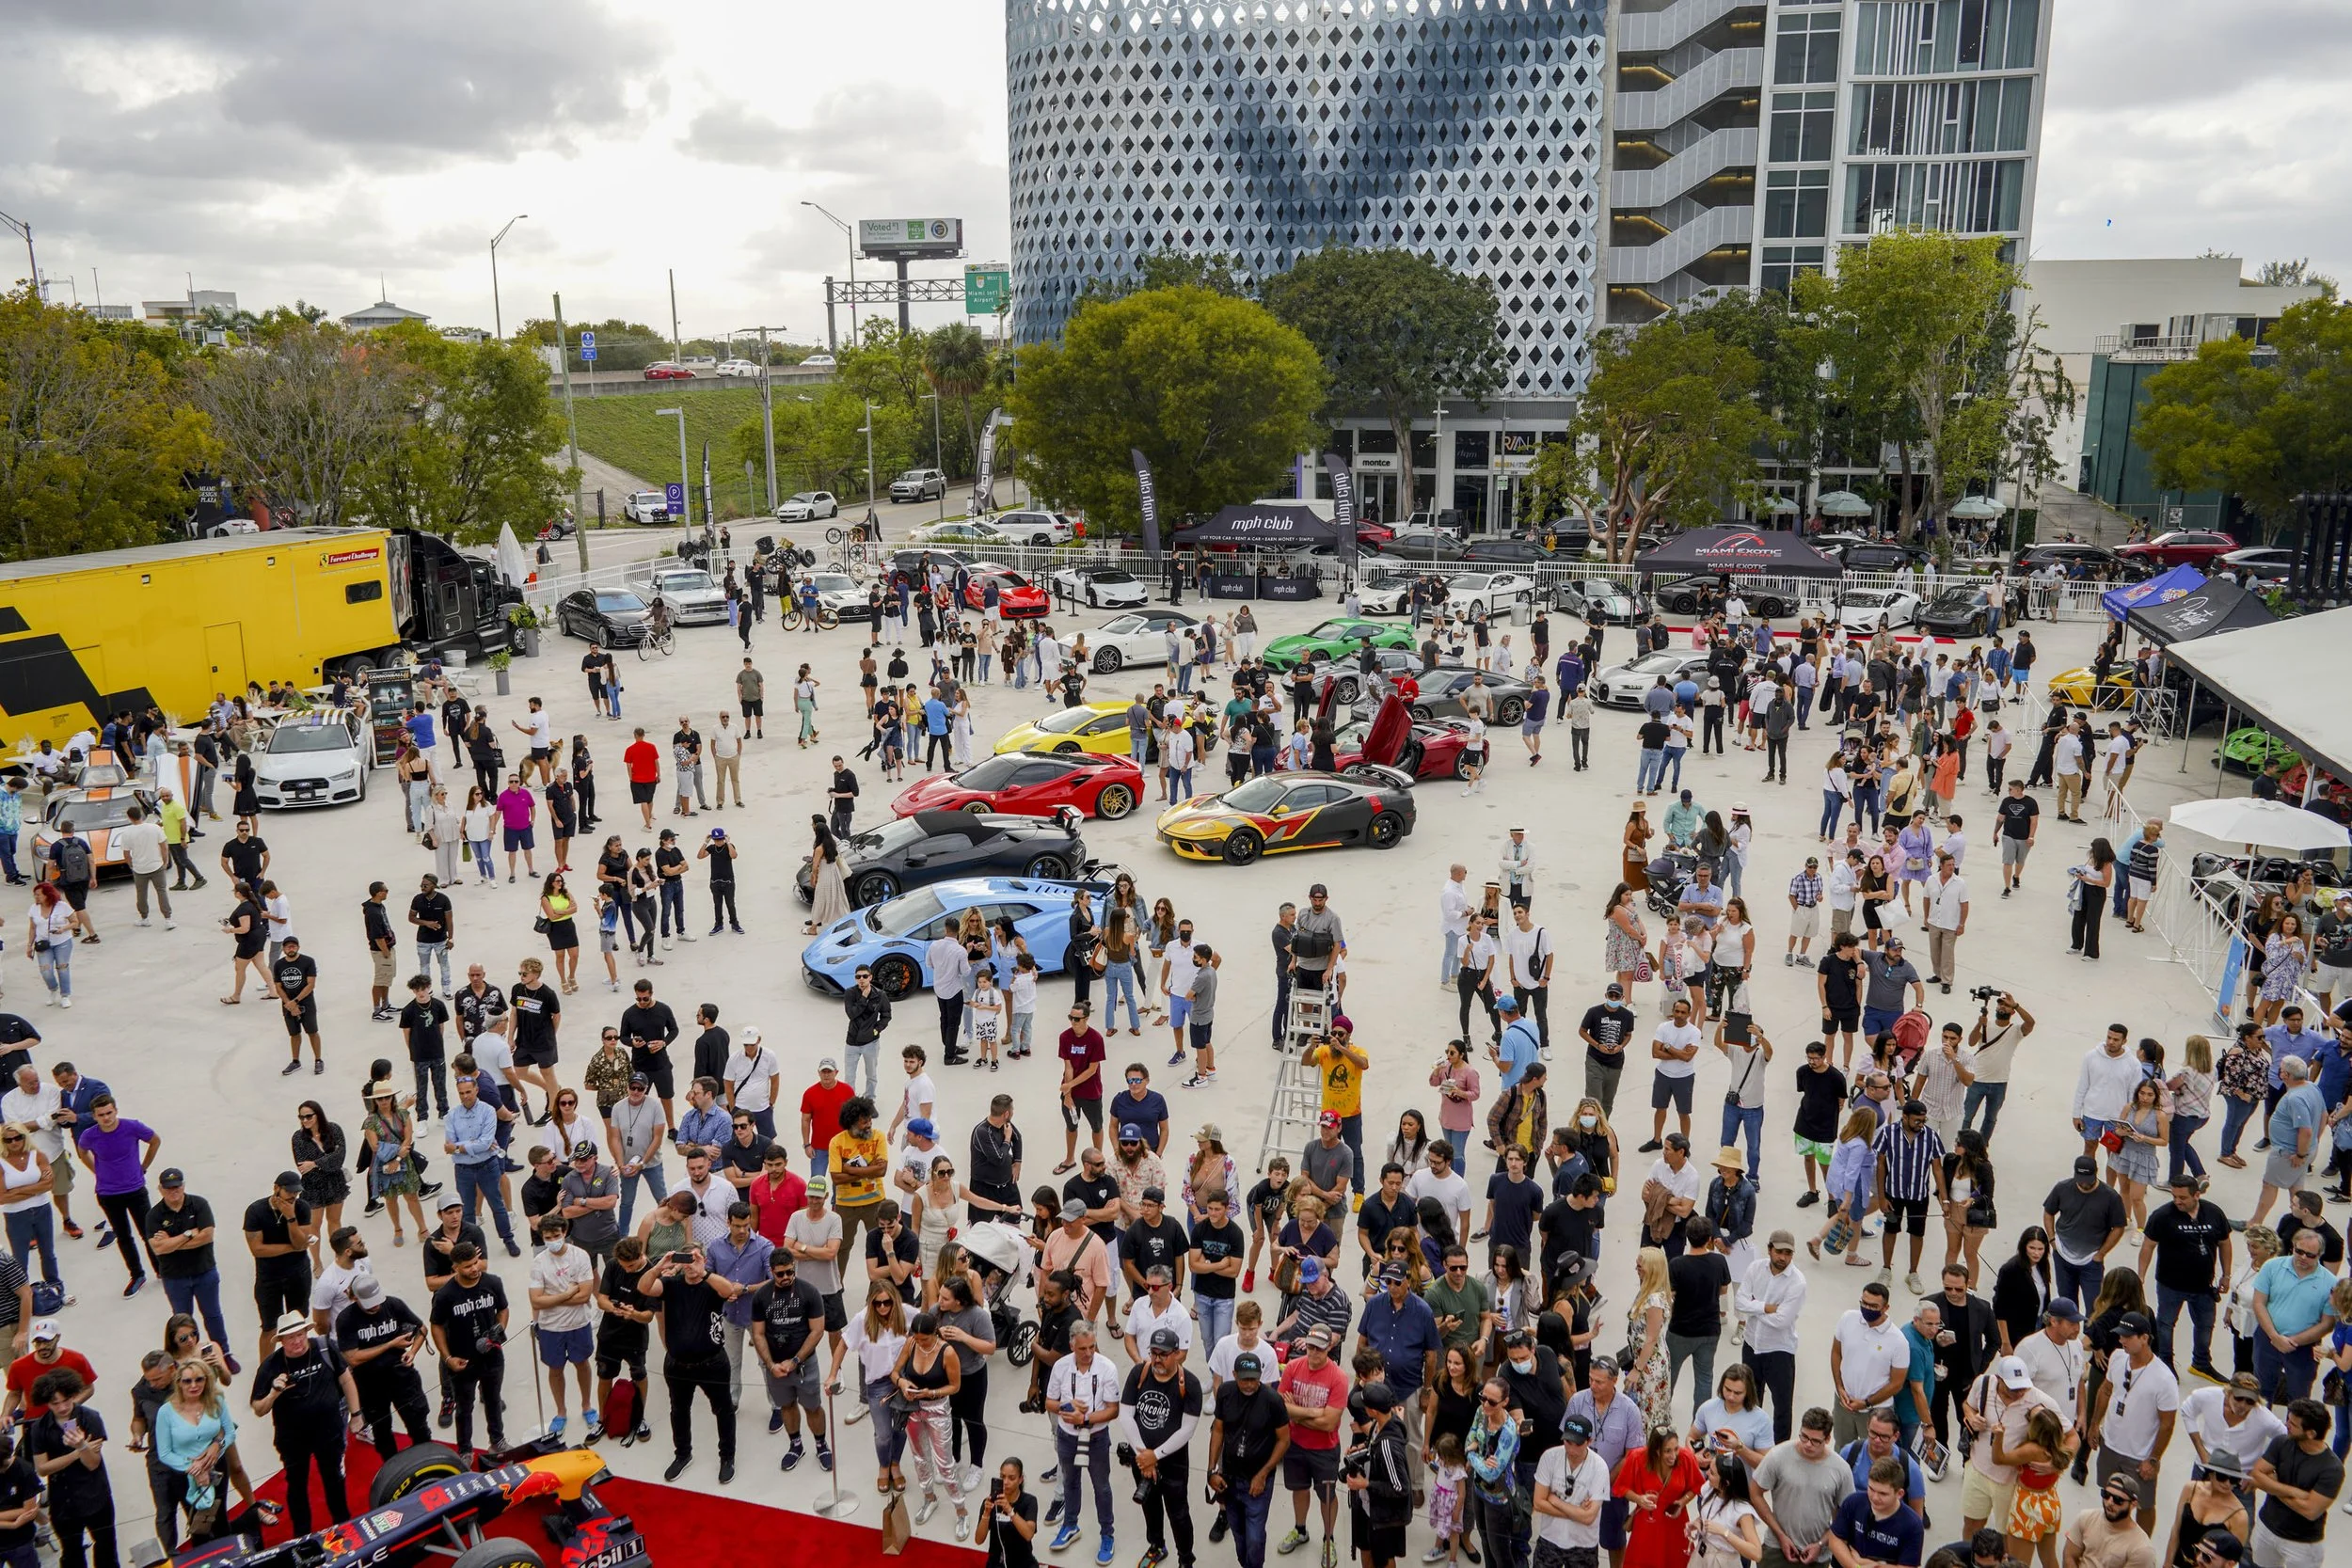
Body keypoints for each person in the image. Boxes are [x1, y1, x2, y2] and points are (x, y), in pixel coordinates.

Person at [247, 1310, 361, 1538]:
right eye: (290, 1338)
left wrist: (356, 1413)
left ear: (307, 1332)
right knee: (297, 1486)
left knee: (334, 1480)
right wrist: (273, 1393)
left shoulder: (324, 1348)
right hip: (293, 1439)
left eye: (300, 1335)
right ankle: (301, 1535)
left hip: (328, 1432)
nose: (297, 1341)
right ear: (281, 1341)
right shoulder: (271, 1365)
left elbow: (345, 1378)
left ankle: (344, 1525)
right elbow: (258, 1408)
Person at [2246, 1398, 2340, 1568]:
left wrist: (2273, 1486)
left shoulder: (2332, 1469)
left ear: (2311, 1433)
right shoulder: (2282, 1442)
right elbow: (2256, 1474)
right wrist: (2295, 1492)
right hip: (2267, 1529)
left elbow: (2310, 1511)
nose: (2286, 1425)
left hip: (2302, 1544)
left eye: (2293, 1424)